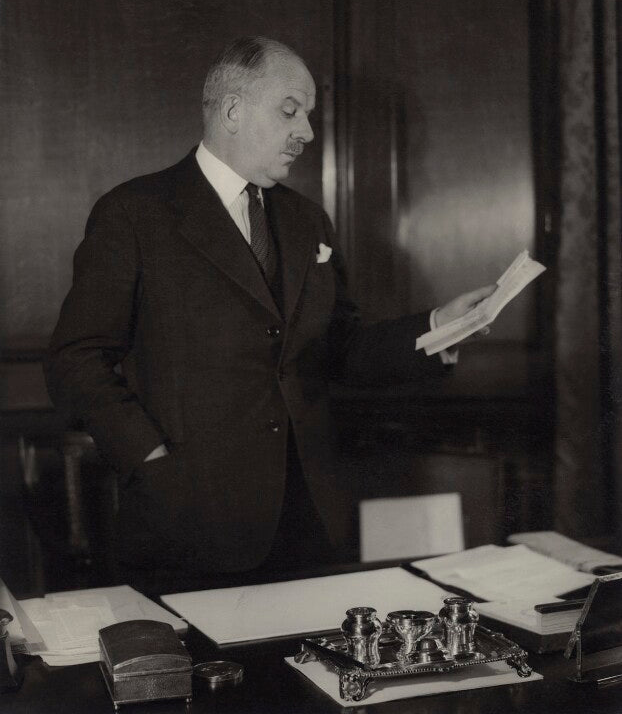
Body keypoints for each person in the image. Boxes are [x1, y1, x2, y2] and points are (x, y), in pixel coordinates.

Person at [44, 37, 495, 593]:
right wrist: (150, 458)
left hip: (309, 524)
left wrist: (437, 328)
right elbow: (76, 359)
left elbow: (340, 348)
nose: (307, 132)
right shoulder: (135, 214)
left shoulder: (308, 221)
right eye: (290, 111)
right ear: (233, 110)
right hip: (190, 522)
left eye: (307, 114)